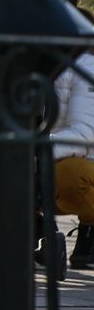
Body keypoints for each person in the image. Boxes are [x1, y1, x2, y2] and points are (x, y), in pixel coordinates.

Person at [47, 37, 94, 271]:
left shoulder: (86, 65)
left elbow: (84, 135)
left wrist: (33, 151)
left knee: (72, 175)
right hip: (50, 154)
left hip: (82, 160)